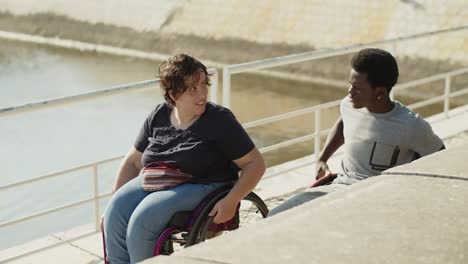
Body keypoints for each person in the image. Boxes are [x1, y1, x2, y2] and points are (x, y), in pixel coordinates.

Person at [103, 54, 265, 264]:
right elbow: (133, 161)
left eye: (203, 85)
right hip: (161, 179)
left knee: (145, 215)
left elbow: (255, 164)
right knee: (115, 210)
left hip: (204, 183)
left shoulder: (219, 120)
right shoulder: (159, 115)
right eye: (193, 89)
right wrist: (117, 199)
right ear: (173, 94)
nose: (202, 94)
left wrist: (232, 200)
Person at [269, 48, 444, 216]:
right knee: (275, 216)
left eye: (357, 88)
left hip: (376, 201)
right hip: (338, 188)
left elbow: (441, 157)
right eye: (350, 85)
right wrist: (323, 158)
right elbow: (344, 123)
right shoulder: (349, 105)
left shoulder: (410, 125)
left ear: (380, 93)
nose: (350, 92)